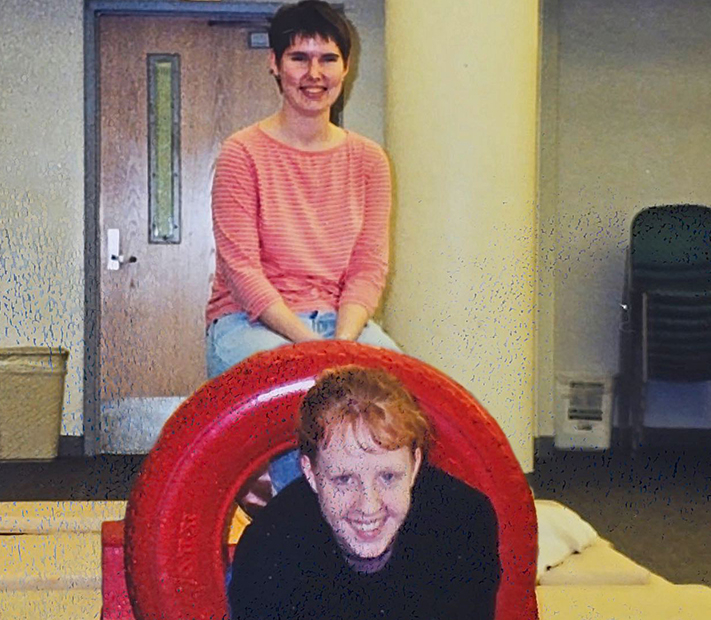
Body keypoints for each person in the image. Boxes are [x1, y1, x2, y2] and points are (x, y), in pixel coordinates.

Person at [206, 0, 403, 498]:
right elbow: (242, 273)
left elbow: (368, 269)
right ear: (274, 64)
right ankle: (300, 521)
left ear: (346, 67)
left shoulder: (370, 160)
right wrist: (314, 351)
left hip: (341, 323)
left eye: (328, 58)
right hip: (250, 324)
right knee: (306, 397)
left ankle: (372, 524)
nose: (314, 74)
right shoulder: (242, 153)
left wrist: (342, 343)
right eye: (299, 58)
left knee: (404, 394)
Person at [227, 366, 501, 620]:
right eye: (344, 479)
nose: (369, 506)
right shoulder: (268, 552)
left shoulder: (464, 522)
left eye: (388, 477)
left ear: (415, 465)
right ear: (311, 473)